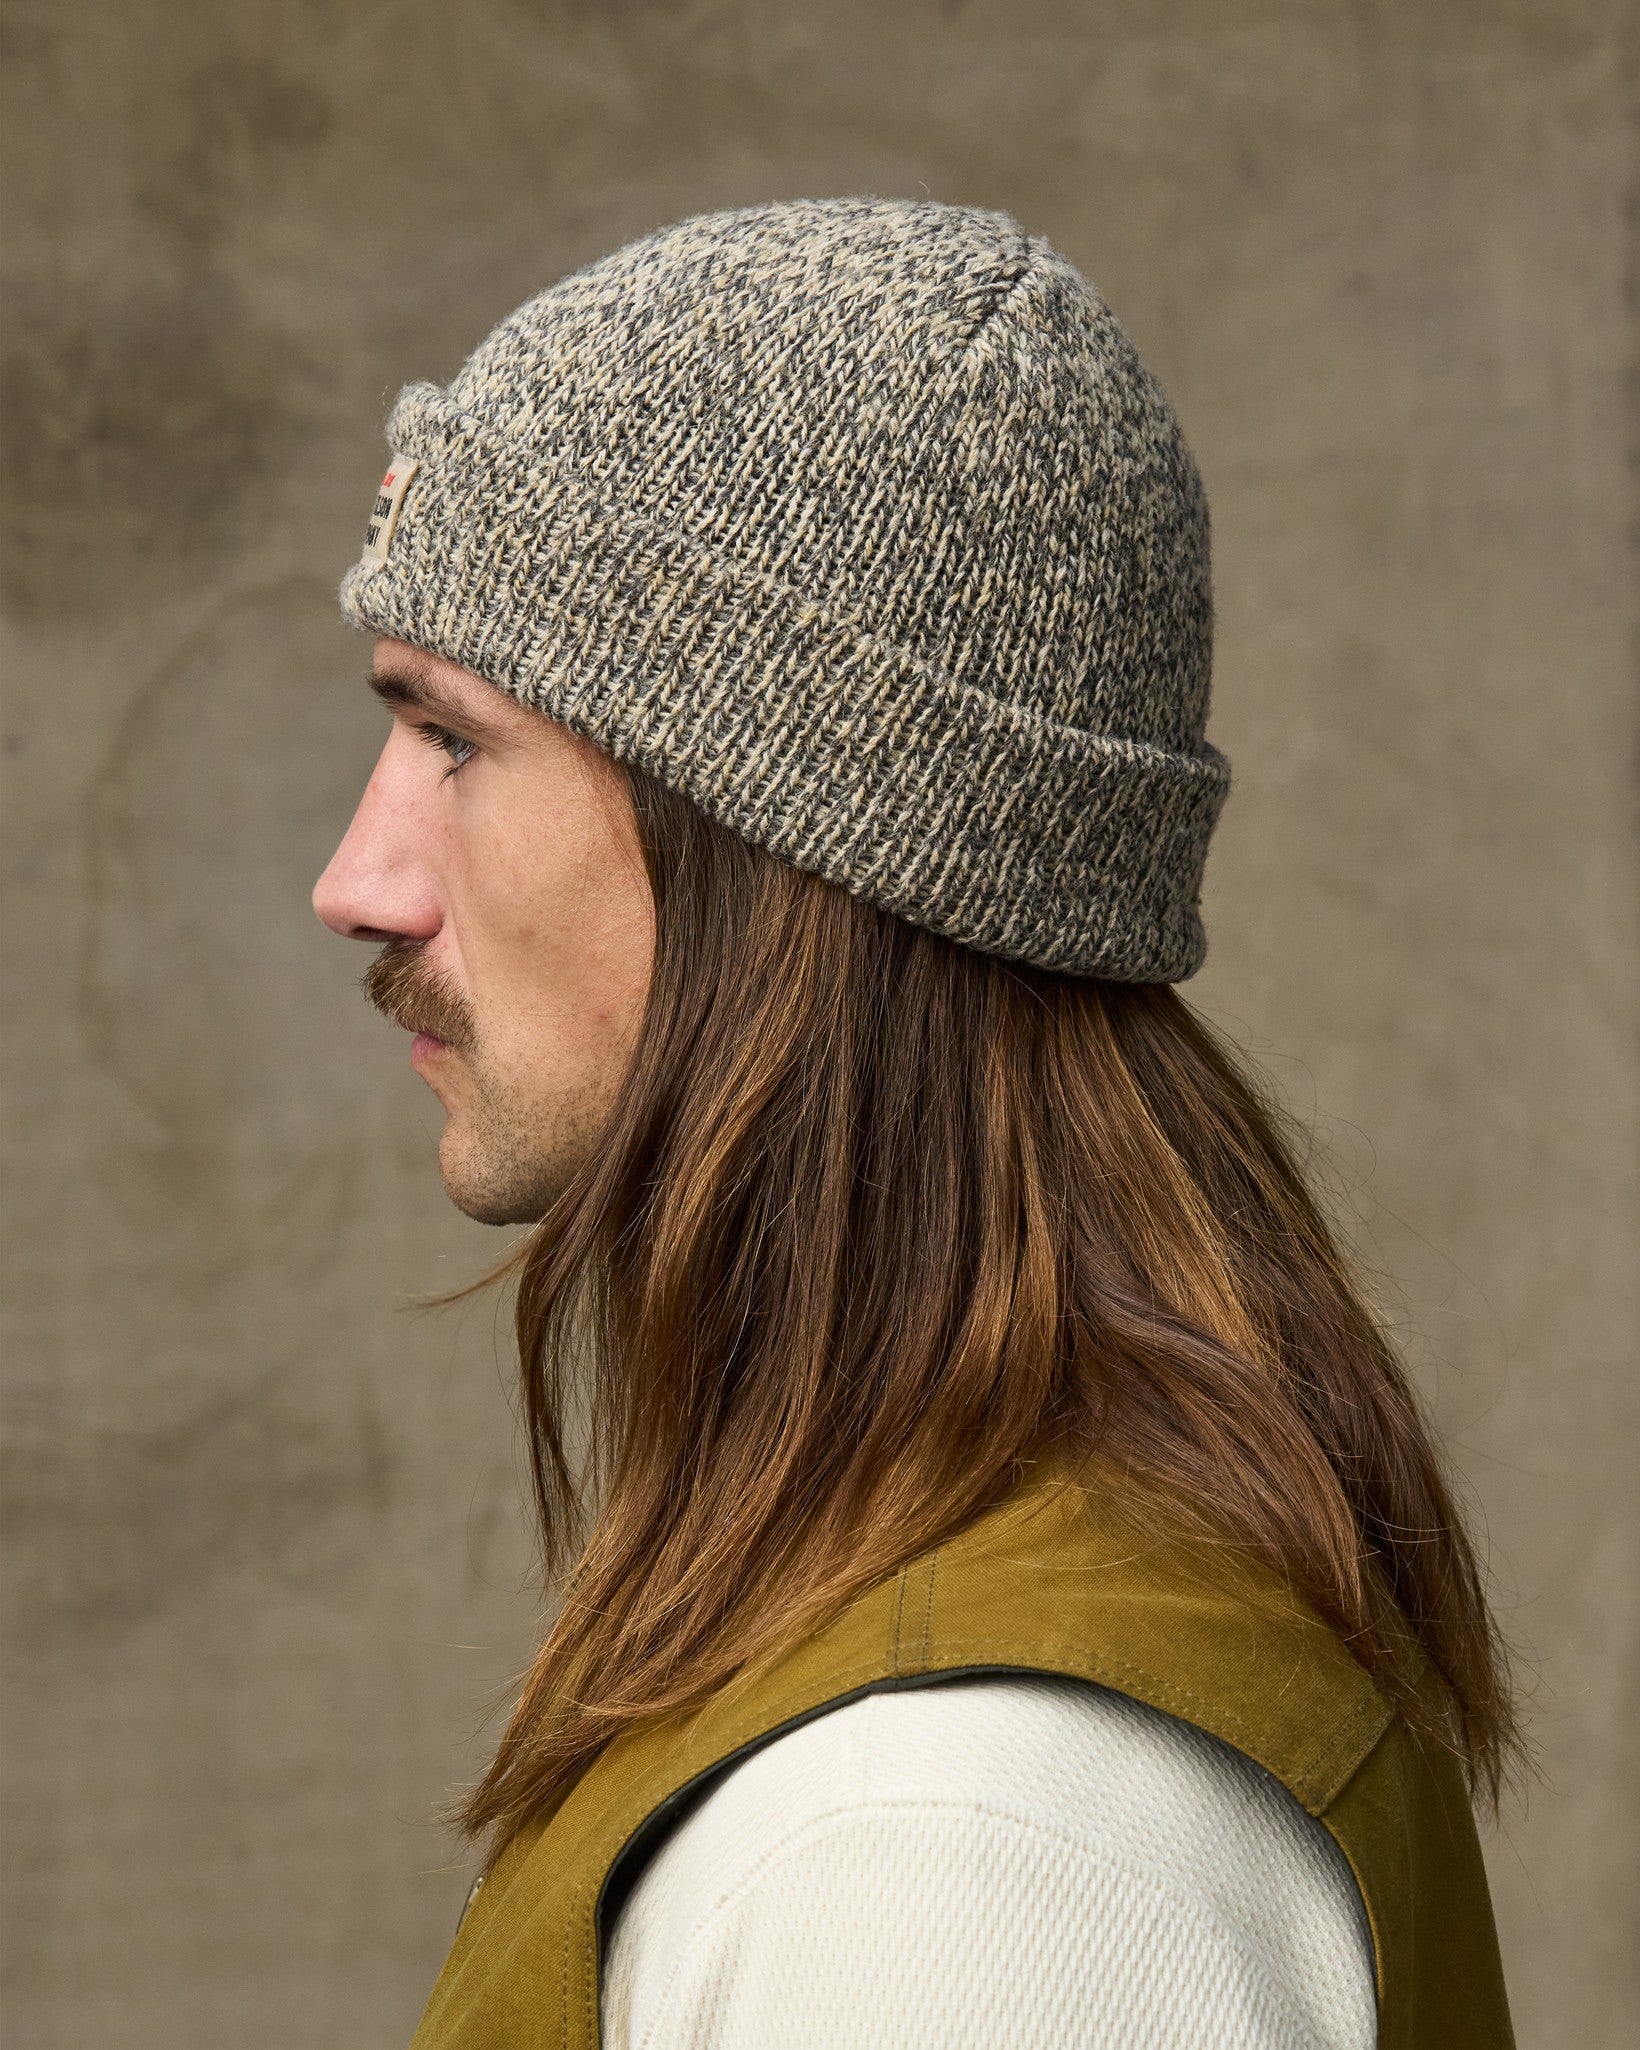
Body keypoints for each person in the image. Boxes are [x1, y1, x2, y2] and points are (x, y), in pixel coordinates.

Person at [313, 198, 1517, 2049]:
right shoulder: (942, 1671)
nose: (360, 880)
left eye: (454, 736)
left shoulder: (947, 1850)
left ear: (793, 836)